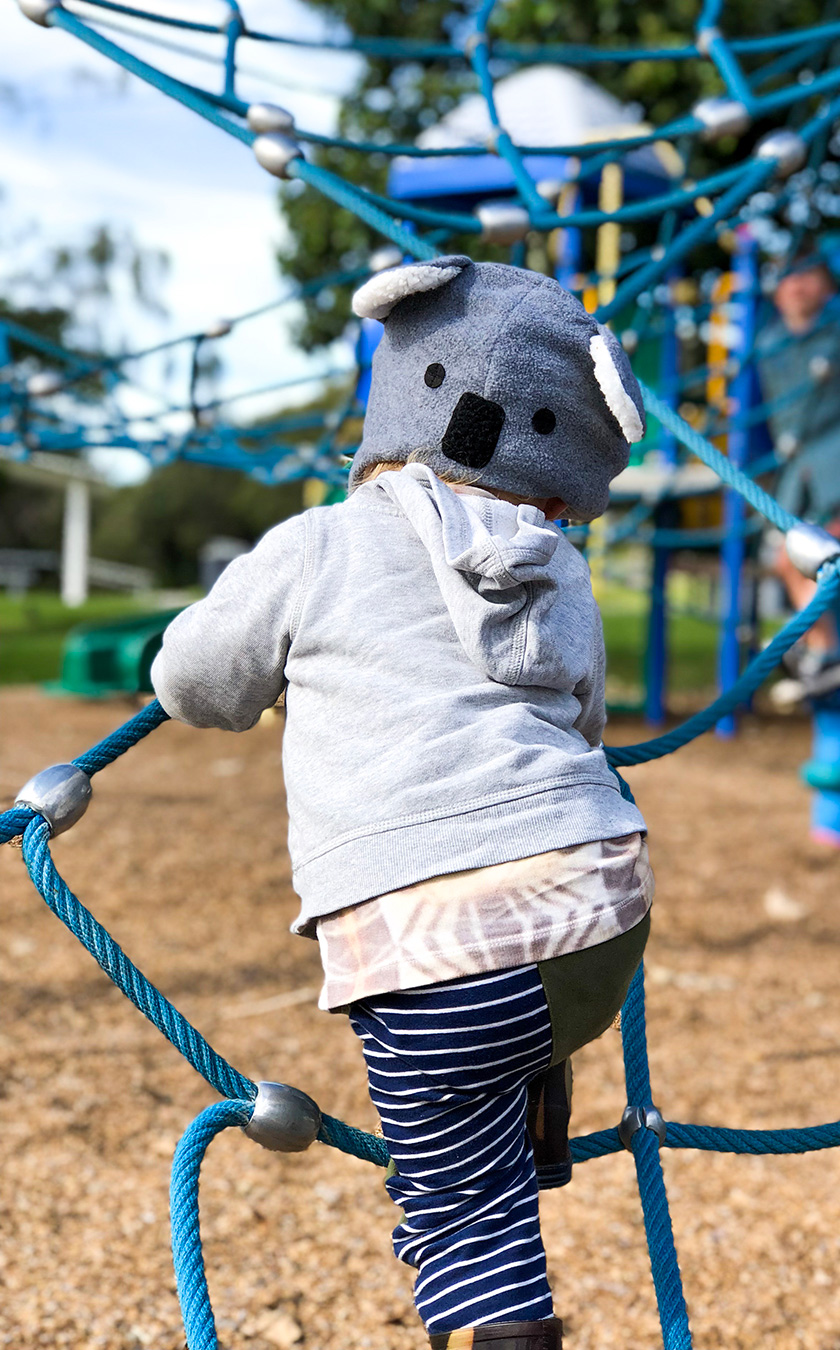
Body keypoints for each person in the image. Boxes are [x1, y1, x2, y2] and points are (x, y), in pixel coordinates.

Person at [150, 257, 654, 1350]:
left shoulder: (319, 543)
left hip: (434, 951)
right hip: (602, 906)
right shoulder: (559, 565)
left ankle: (501, 1279)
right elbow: (585, 722)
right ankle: (532, 1112)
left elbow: (195, 683)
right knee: (518, 1006)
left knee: (457, 1212)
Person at [755, 244, 840, 703]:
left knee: (804, 559)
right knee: (786, 558)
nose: (798, 285)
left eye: (809, 276)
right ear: (777, 291)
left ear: (828, 287)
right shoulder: (770, 343)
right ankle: (818, 652)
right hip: (800, 470)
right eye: (789, 277)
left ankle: (825, 653)